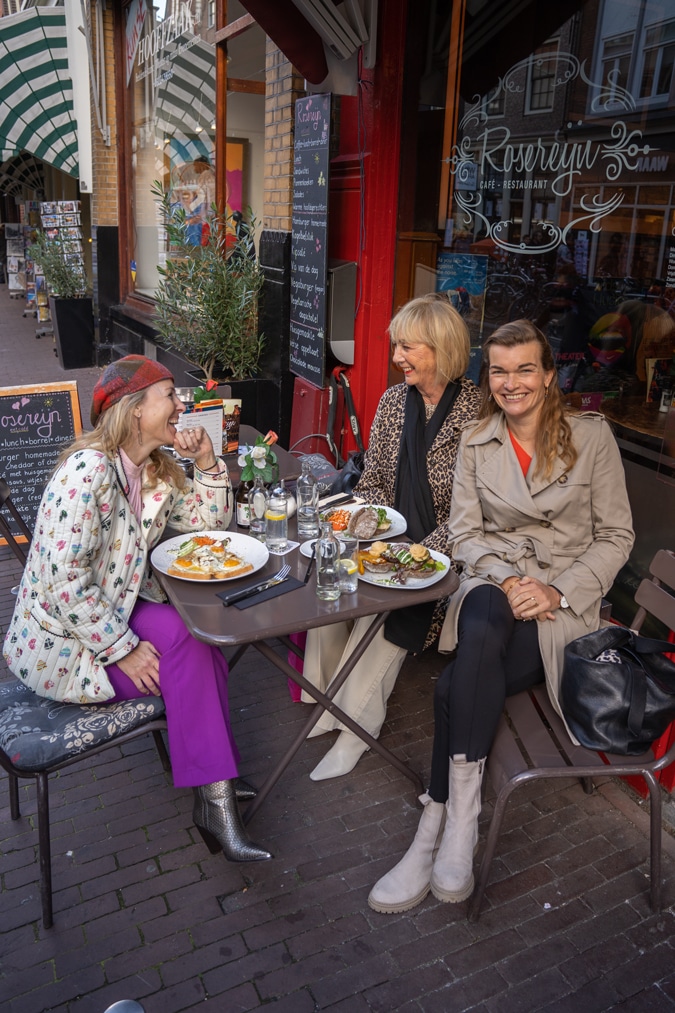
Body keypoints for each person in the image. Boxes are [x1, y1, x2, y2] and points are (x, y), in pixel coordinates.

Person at [368, 319, 634, 914]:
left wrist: (558, 591)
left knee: (456, 686)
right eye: (499, 370)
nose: (511, 383)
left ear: (547, 375)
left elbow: (617, 536)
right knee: (484, 615)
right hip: (495, 584)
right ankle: (459, 820)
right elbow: (464, 533)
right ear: (487, 376)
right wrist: (511, 578)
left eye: (524, 369)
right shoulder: (478, 438)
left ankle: (437, 821)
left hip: (560, 607)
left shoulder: (591, 438)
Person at [3, 355, 271, 863]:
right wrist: (121, 650)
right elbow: (64, 581)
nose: (180, 405)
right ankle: (215, 794)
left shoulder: (151, 469)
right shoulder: (88, 471)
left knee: (199, 641)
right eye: (169, 395)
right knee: (191, 654)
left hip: (115, 607)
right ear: (133, 411)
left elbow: (206, 526)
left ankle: (213, 784)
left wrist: (211, 462)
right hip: (62, 644)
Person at [302, 294, 482, 780]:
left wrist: (418, 554)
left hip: (444, 553)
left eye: (407, 347)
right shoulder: (391, 401)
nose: (396, 357)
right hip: (388, 539)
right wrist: (361, 528)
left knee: (386, 612)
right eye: (396, 346)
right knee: (330, 577)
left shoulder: (477, 413)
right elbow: (375, 480)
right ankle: (325, 700)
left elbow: (476, 510)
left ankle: (356, 729)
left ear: (441, 347)